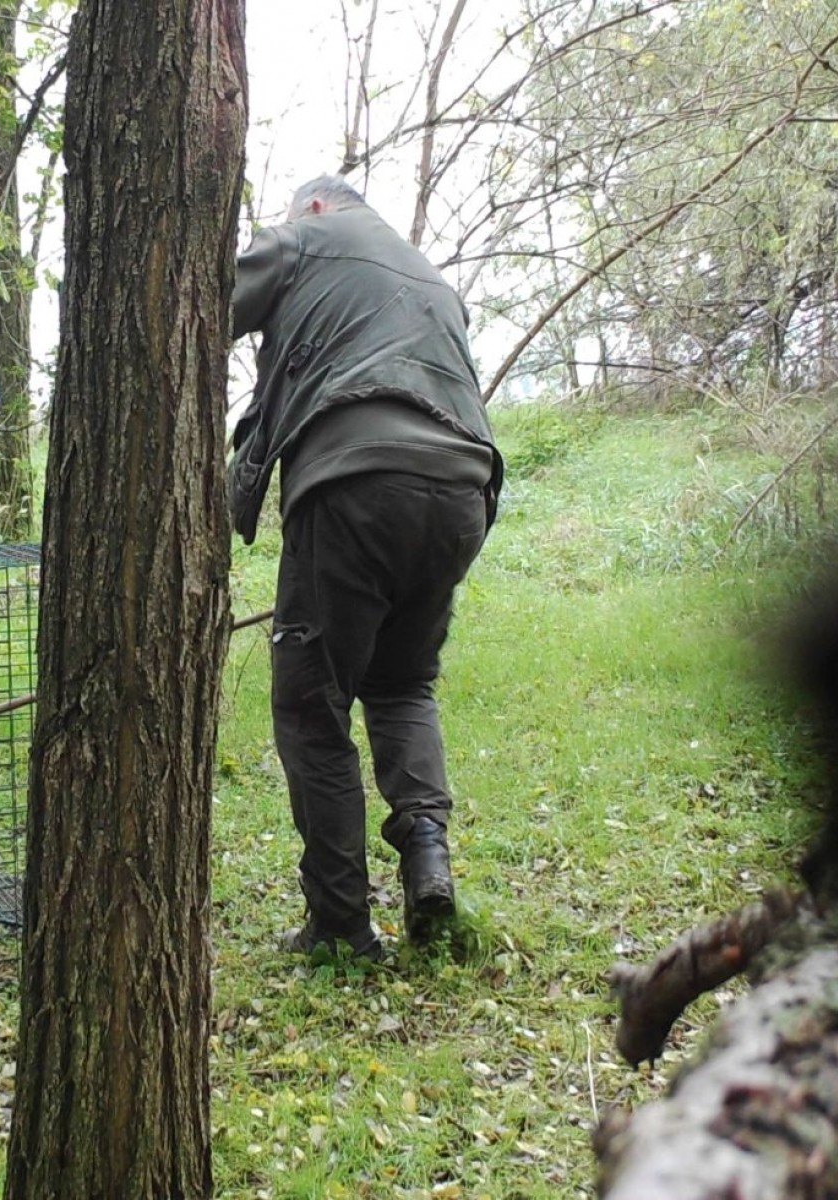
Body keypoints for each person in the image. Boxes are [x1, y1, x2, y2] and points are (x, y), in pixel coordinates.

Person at [229, 175, 503, 961]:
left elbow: (196, 310)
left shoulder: (308, 236)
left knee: (312, 709)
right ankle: (425, 857)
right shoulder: (429, 276)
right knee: (400, 683)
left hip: (354, 480)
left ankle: (341, 926)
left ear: (314, 208)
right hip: (462, 491)